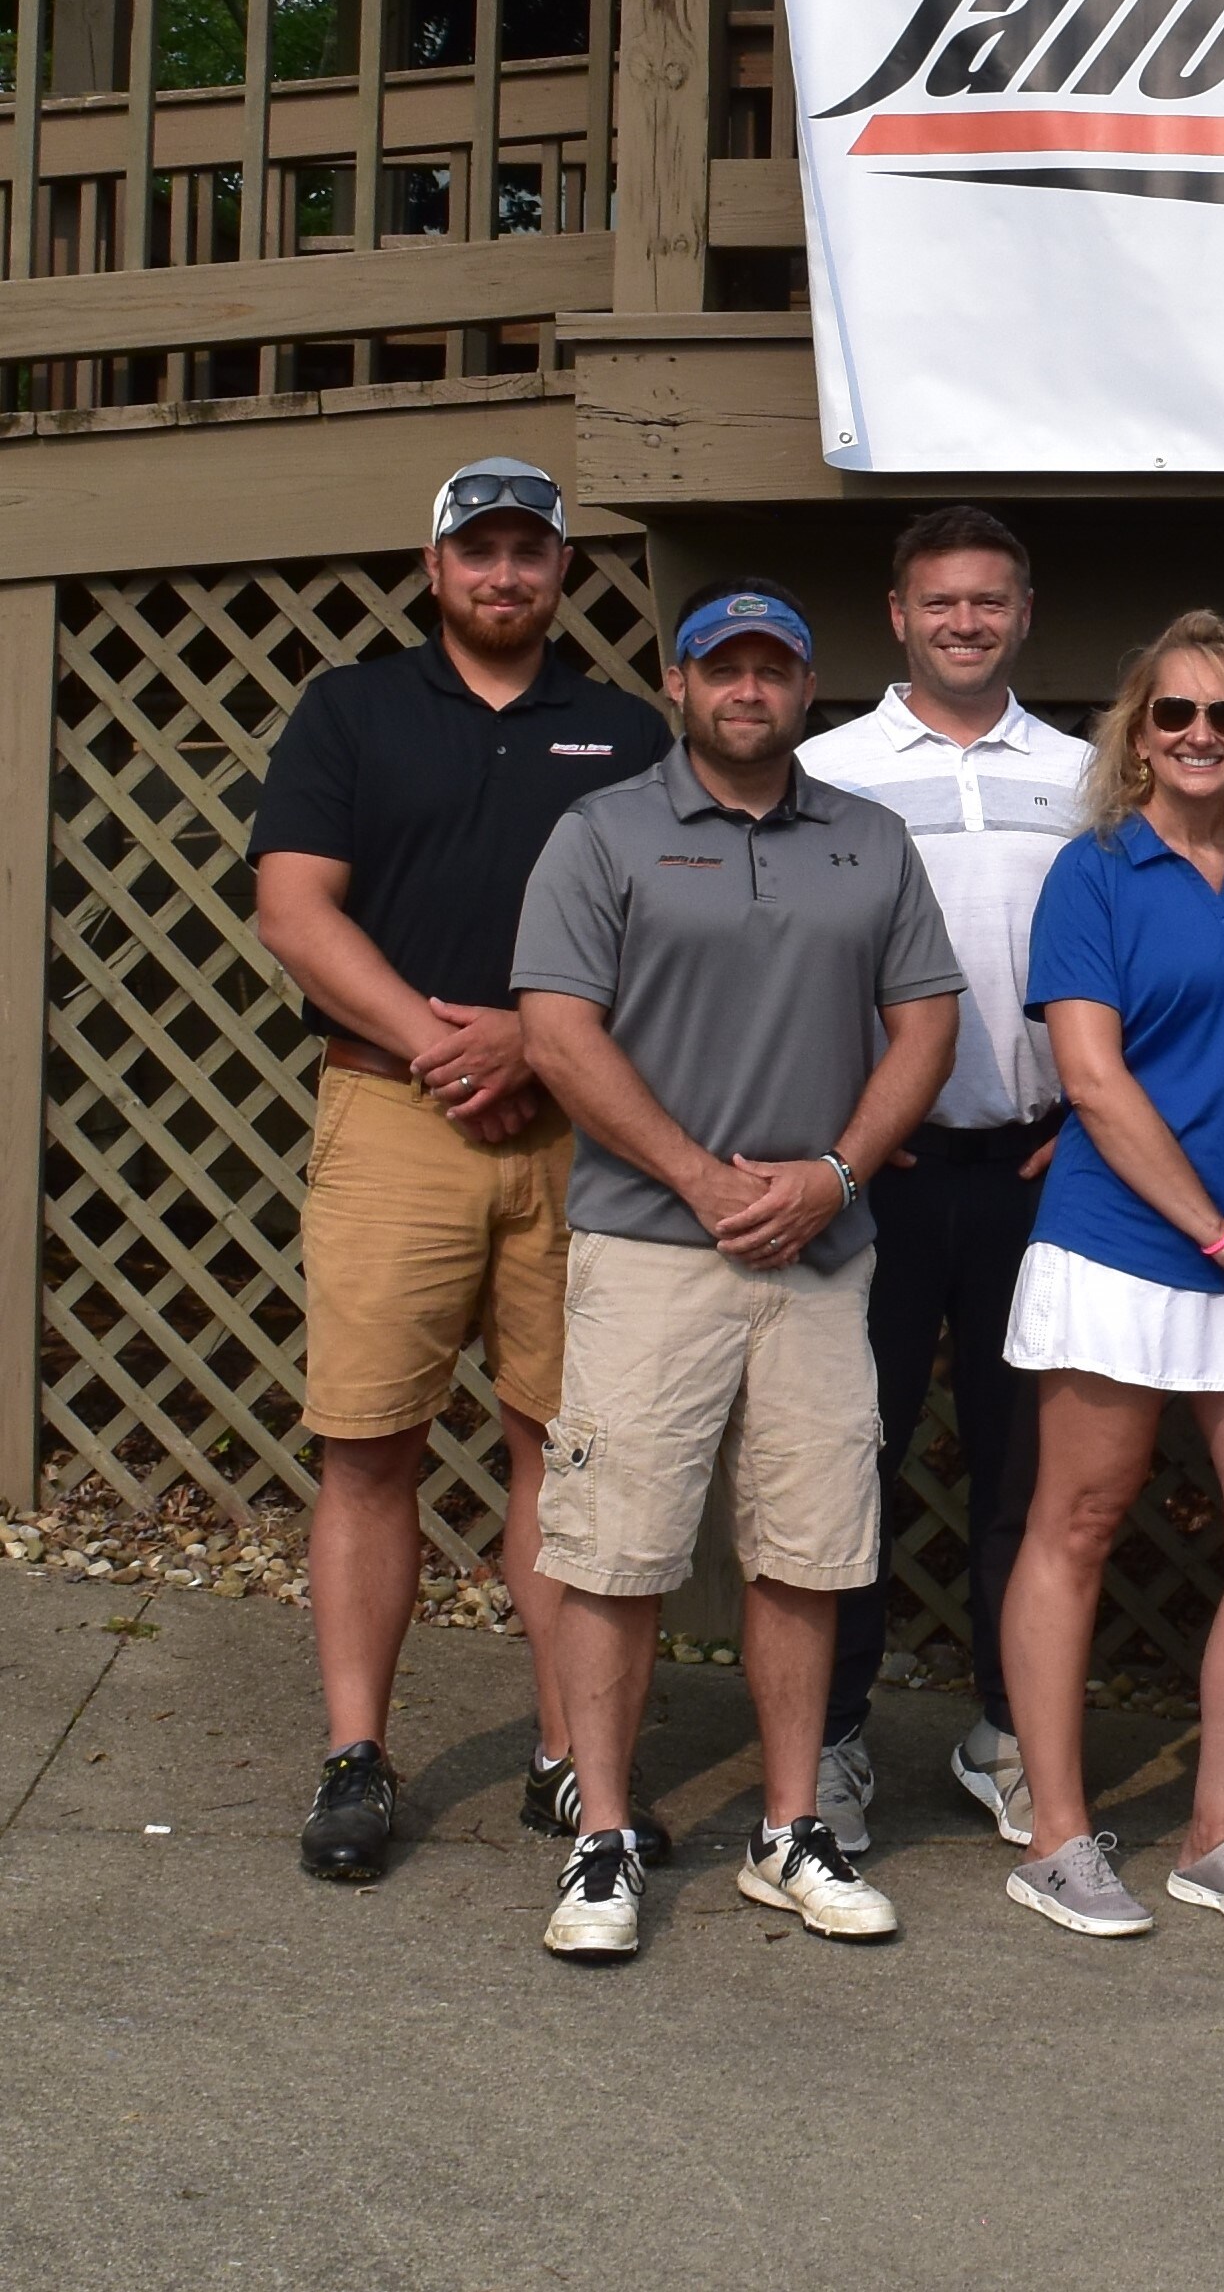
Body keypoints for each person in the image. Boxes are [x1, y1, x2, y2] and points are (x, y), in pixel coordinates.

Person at [511, 582, 964, 1962]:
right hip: (653, 1249)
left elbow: (925, 1026)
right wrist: (704, 1180)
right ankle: (601, 1838)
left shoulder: (870, 843)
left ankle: (786, 1831)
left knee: (807, 1547)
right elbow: (557, 1031)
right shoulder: (604, 833)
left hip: (822, 1251)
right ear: (678, 681)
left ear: (806, 685)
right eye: (726, 668)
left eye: (774, 667)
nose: (749, 690)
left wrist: (829, 1176)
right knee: (616, 1550)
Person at [252, 457, 670, 1884]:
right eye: (477, 552)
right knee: (369, 1442)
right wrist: (443, 1041)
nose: (504, 575)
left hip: (576, 1136)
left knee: (559, 1446)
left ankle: (566, 1761)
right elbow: (296, 911)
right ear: (435, 571)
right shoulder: (351, 711)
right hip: (391, 1121)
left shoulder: (623, 734)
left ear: (564, 576)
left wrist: (532, 1042)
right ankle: (356, 1756)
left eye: (530, 554)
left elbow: (661, 934)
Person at [995, 614, 1224, 1943]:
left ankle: (1216, 1835)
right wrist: (1214, 1227)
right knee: (1076, 1527)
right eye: (1172, 716)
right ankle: (1060, 1840)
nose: (1199, 737)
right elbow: (1091, 1076)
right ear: (1135, 734)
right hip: (1125, 1249)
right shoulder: (1093, 875)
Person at [793, 505, 1091, 1855]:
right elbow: (786, 964)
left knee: (1027, 1475)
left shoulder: (1091, 774)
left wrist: (1090, 1119)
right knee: (855, 1454)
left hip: (1039, 1164)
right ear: (899, 617)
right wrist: (847, 1124)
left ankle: (1007, 1734)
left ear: (1023, 614)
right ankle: (836, 1738)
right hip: (881, 1175)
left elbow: (1123, 957)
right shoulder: (826, 767)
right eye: (942, 602)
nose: (967, 621)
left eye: (991, 601)